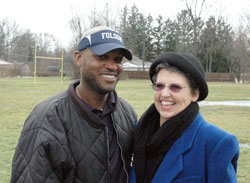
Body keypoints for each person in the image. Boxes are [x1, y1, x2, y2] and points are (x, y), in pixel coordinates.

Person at [11, 26, 137, 183]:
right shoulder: (46, 118)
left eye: (117, 60)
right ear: (79, 58)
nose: (112, 66)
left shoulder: (127, 114)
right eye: (102, 57)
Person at [129, 52, 239, 183]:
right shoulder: (139, 132)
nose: (164, 94)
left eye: (175, 87)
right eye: (159, 86)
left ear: (194, 94)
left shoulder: (216, 143)